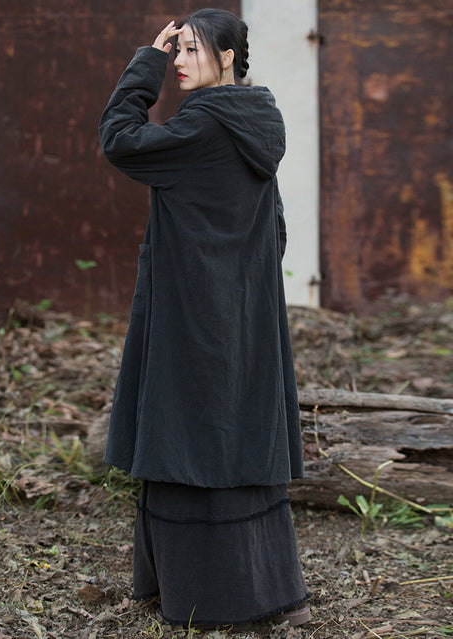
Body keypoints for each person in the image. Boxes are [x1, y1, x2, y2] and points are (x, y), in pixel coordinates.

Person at [99, 7, 311, 629]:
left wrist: (143, 64)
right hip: (243, 304)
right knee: (236, 428)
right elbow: (273, 224)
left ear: (226, 57)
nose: (179, 62)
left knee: (186, 428)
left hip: (194, 304)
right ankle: (269, 593)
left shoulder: (203, 125)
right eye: (174, 52)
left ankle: (212, 598)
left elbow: (119, 140)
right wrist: (244, 279)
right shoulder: (256, 118)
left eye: (191, 50)